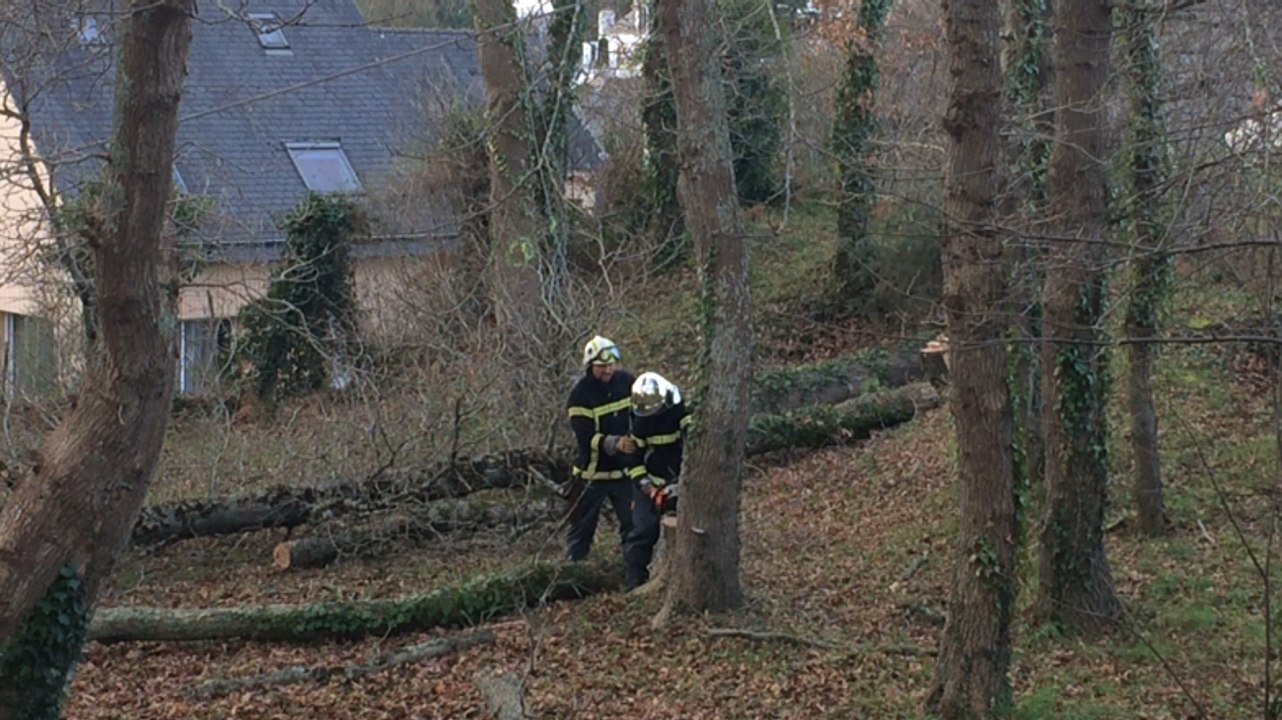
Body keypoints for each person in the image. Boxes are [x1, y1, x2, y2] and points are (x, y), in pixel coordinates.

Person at [565, 335, 640, 562]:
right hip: (591, 476)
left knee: (633, 526)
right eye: (602, 366)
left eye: (610, 365)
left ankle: (634, 573)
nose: (607, 370)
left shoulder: (627, 382)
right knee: (581, 529)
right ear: (591, 366)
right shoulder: (580, 395)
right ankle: (574, 573)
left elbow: (640, 414)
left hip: (624, 473)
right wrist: (615, 443)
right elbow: (585, 437)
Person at [623, 371, 690, 589]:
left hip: (682, 480)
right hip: (650, 482)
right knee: (642, 531)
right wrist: (648, 487)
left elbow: (694, 444)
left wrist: (680, 483)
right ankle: (634, 582)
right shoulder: (640, 421)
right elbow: (633, 460)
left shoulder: (680, 412)